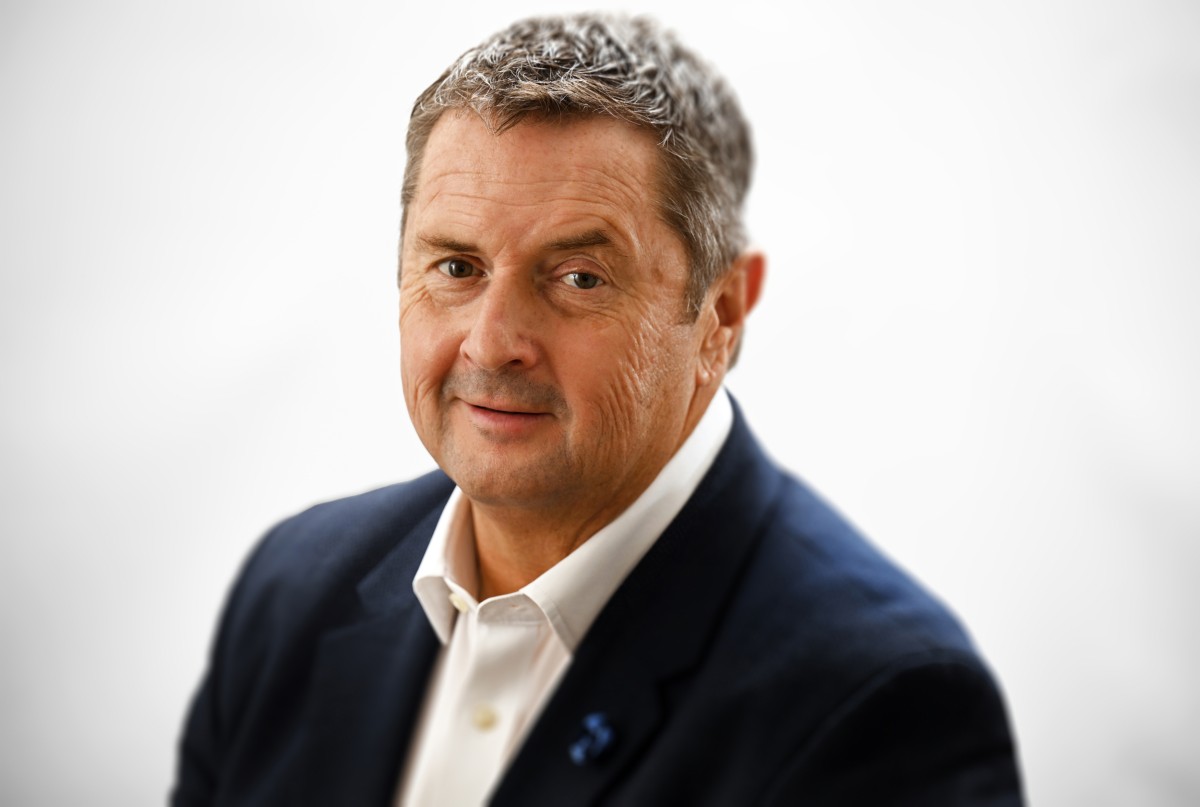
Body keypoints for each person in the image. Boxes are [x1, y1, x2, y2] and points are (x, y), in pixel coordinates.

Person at [173, 13, 1023, 806]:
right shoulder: (291, 591)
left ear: (722, 314)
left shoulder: (881, 700)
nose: (491, 344)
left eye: (579, 277)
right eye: (457, 267)